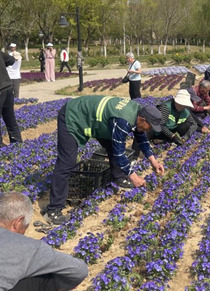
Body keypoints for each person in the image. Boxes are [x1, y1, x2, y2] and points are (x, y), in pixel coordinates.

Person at [45, 96, 165, 225]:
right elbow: (119, 153)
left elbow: (141, 137)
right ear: (143, 119)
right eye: (150, 126)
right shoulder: (123, 120)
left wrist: (153, 161)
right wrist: (134, 177)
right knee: (67, 162)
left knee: (113, 145)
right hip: (73, 116)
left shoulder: (137, 112)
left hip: (96, 119)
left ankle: (119, 177)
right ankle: (53, 210)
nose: (150, 129)